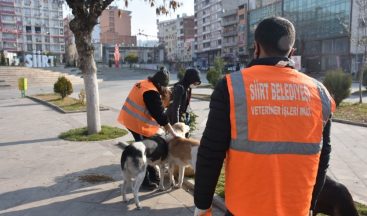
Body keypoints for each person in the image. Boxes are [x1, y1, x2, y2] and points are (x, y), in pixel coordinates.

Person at [193, 17, 336, 216]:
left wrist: (202, 204)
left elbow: (211, 152)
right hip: (296, 210)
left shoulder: (232, 87)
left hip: (243, 209)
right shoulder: (320, 93)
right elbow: (323, 155)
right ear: (292, 52)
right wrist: (311, 204)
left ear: (256, 47)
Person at [117, 67, 180, 189]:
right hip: (136, 123)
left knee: (148, 148)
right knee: (143, 151)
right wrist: (173, 133)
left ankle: (152, 173)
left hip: (131, 119)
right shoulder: (151, 92)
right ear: (161, 85)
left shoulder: (144, 84)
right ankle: (145, 181)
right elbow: (160, 116)